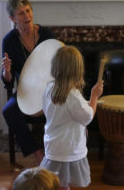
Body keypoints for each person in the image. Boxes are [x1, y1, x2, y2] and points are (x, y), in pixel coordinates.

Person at [39, 46, 103, 190]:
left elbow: (58, 112)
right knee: (63, 182)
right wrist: (94, 96)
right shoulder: (73, 95)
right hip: (69, 148)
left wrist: (86, 103)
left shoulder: (49, 88)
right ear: (77, 71)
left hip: (54, 145)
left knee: (59, 182)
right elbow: (87, 117)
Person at [1, 0, 55, 163]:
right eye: (21, 13)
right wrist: (7, 70)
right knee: (8, 110)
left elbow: (60, 63)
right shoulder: (9, 41)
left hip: (50, 88)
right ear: (12, 18)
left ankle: (58, 152)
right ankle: (38, 153)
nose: (27, 16)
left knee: (68, 103)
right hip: (26, 91)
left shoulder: (46, 34)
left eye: (28, 10)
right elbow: (7, 81)